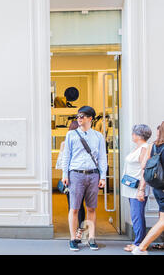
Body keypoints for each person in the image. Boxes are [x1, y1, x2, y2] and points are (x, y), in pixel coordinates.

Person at [61, 106, 107, 251]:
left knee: (91, 208)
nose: (79, 119)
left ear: (90, 118)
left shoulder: (98, 136)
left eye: (82, 116)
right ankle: (73, 238)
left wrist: (103, 176)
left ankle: (91, 238)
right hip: (75, 174)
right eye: (78, 116)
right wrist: (64, 174)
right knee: (74, 208)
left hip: (93, 174)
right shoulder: (71, 135)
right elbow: (66, 156)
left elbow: (102, 158)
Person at [132, 121, 164, 255]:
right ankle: (141, 247)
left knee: (162, 216)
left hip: (158, 187)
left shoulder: (153, 146)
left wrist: (141, 188)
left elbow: (145, 167)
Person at [121, 124, 152, 252]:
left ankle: (139, 243)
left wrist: (141, 189)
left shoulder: (144, 148)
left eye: (133, 133)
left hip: (137, 188)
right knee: (136, 215)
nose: (132, 135)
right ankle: (138, 241)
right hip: (131, 187)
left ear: (138, 135)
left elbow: (144, 170)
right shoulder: (138, 148)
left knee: (137, 215)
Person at [56, 120, 86, 242]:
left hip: (69, 178)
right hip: (80, 176)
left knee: (72, 206)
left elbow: (60, 163)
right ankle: (79, 230)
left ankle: (75, 231)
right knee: (81, 205)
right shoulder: (84, 141)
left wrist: (64, 175)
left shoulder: (64, 143)